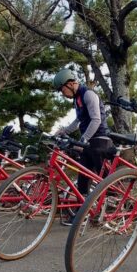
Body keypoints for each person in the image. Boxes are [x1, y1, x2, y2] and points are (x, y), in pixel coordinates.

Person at [51, 68, 113, 218]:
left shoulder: (88, 94)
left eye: (62, 89)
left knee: (104, 179)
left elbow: (96, 120)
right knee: (83, 177)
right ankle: (81, 213)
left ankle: (113, 203)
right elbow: (78, 120)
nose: (62, 93)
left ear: (70, 84)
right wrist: (64, 130)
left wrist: (83, 140)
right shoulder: (77, 99)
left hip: (100, 139)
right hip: (88, 141)